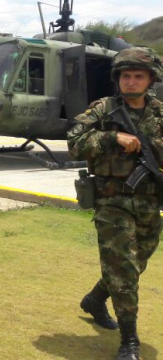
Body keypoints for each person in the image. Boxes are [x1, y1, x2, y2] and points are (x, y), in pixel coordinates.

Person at [68, 47, 163, 360]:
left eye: (138, 76)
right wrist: (112, 138)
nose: (131, 81)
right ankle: (129, 341)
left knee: (136, 265)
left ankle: (95, 299)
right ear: (118, 78)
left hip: (150, 202)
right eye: (126, 75)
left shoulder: (160, 113)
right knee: (122, 270)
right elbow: (74, 143)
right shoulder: (103, 110)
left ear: (151, 79)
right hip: (112, 200)